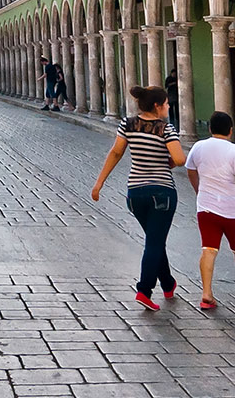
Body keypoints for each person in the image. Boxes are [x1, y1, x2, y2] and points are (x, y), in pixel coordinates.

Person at [92, 85, 186, 311]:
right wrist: (168, 162)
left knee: (155, 239)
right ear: (157, 106)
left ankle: (168, 283)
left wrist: (99, 183)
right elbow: (180, 159)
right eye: (166, 104)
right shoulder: (166, 129)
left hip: (135, 194)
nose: (168, 107)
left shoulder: (127, 124)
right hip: (161, 193)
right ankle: (144, 290)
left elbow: (116, 152)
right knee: (154, 242)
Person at [185, 110, 235, 309]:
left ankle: (206, 293)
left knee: (208, 249)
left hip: (206, 208)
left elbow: (190, 170)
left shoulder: (198, 147)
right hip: (234, 209)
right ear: (231, 131)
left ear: (209, 128)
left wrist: (199, 190)